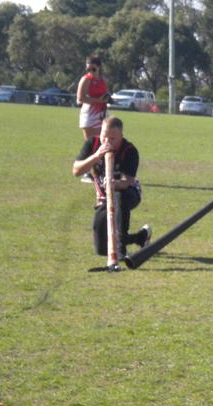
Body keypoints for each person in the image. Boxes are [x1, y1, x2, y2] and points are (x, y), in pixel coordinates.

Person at [72, 116, 151, 259]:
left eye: (112, 139)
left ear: (121, 136)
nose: (107, 142)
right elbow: (76, 171)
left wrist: (113, 184)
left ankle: (121, 251)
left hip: (129, 193)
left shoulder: (130, 150)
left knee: (119, 197)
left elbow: (128, 181)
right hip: (104, 197)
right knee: (102, 249)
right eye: (104, 136)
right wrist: (96, 156)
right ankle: (140, 237)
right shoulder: (92, 143)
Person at [77, 54, 109, 141]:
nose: (90, 71)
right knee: (91, 144)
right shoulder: (86, 79)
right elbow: (80, 98)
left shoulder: (103, 80)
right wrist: (98, 100)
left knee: (104, 141)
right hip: (90, 114)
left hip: (103, 113)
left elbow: (105, 94)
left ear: (99, 67)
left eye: (93, 69)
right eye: (88, 69)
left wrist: (107, 99)